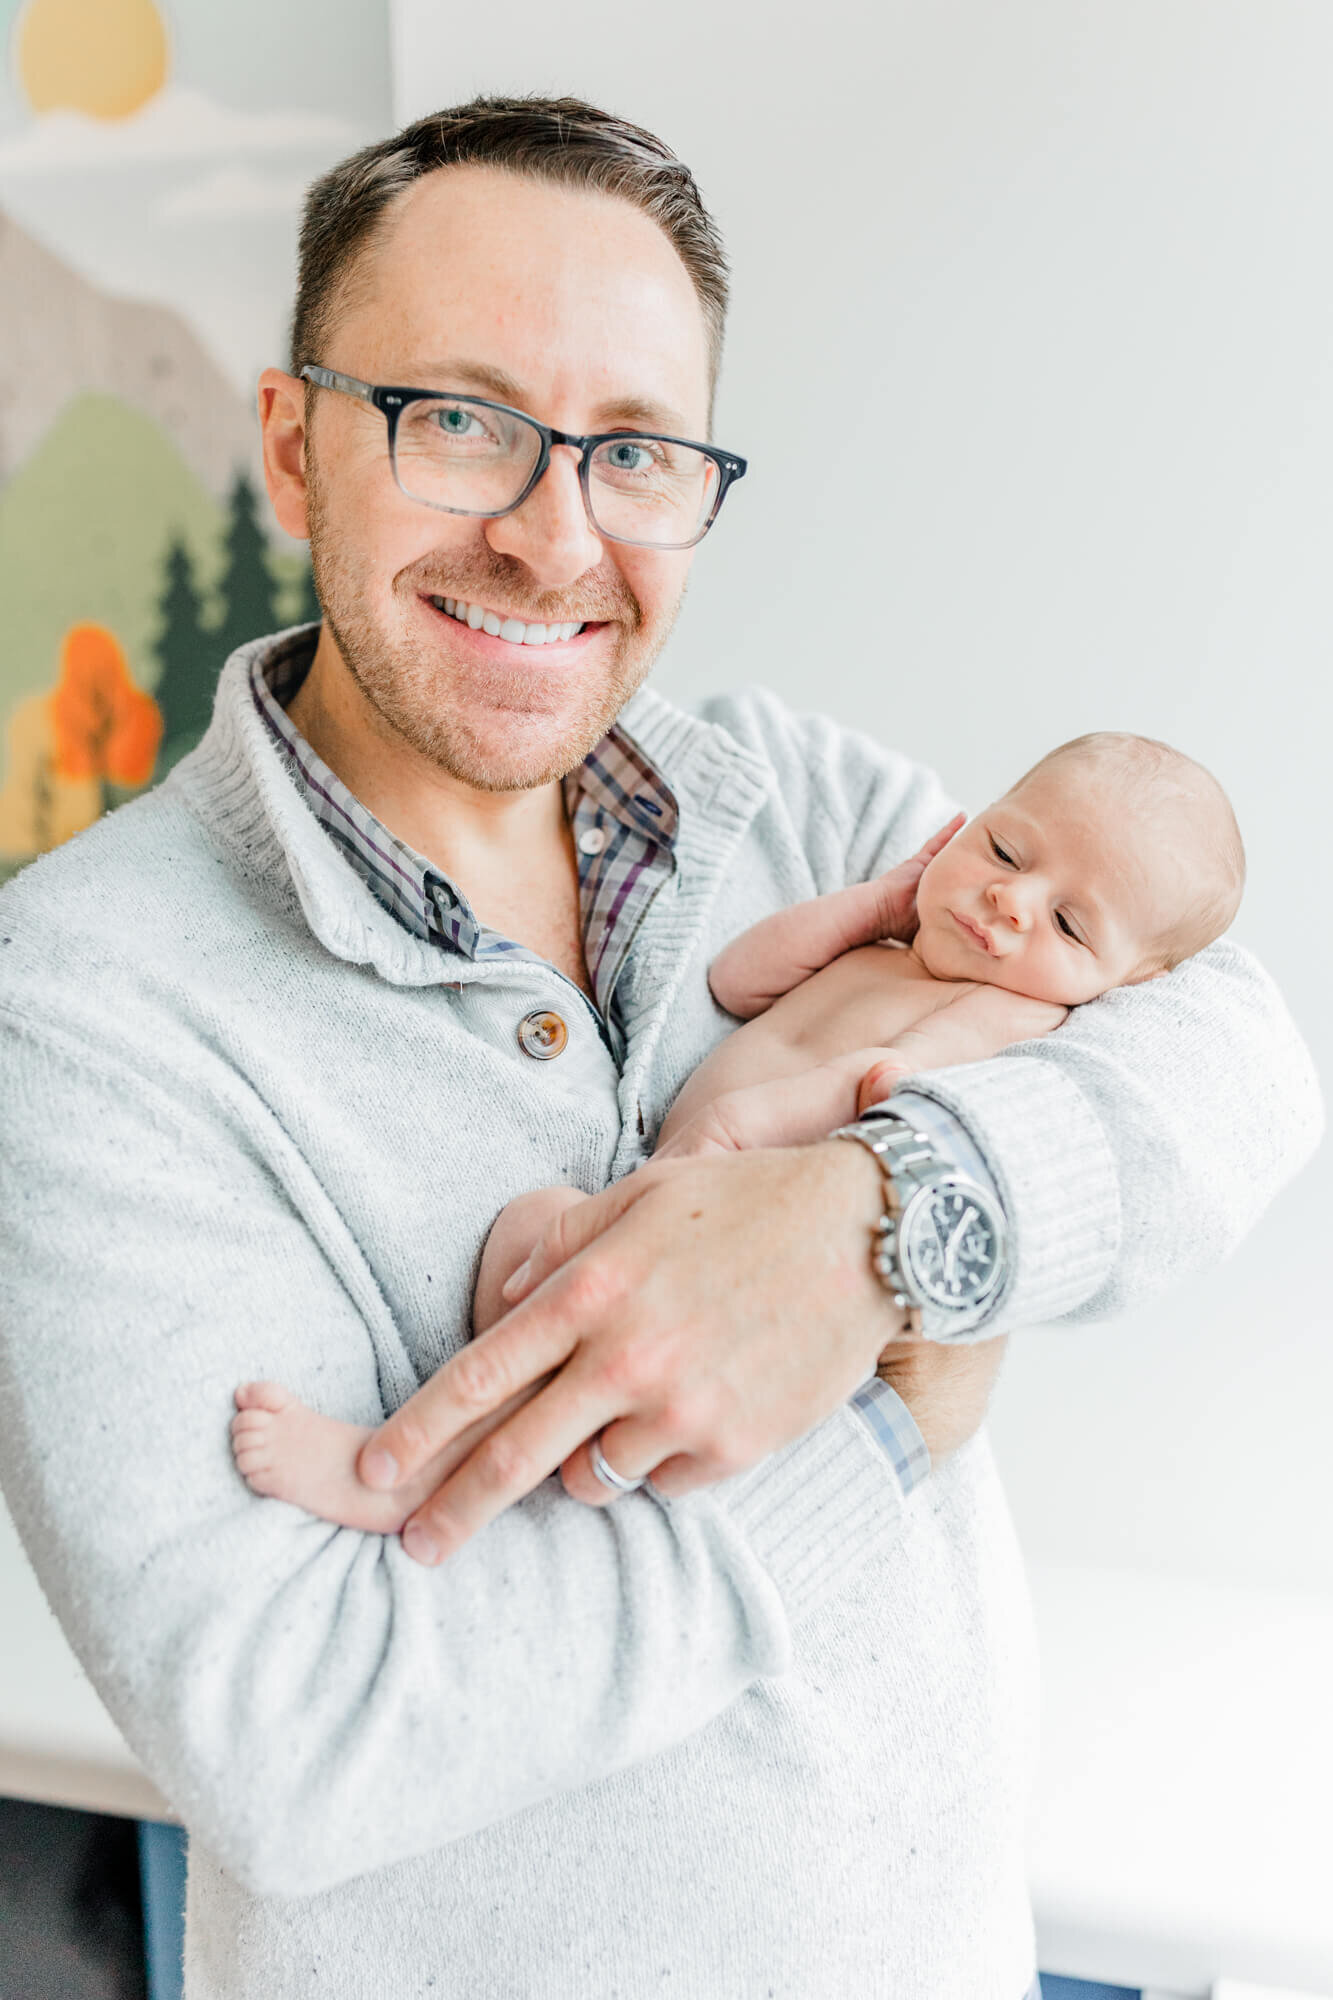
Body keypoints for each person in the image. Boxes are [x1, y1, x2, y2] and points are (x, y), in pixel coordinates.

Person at [0, 96, 1319, 2000]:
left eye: (634, 452)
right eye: (457, 422)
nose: (555, 539)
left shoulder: (795, 797)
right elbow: (303, 1732)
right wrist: (876, 1421)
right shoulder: (79, 1003)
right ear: (293, 448)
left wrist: (892, 1219)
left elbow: (1239, 1052)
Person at [230, 727, 1248, 1538]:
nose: (1010, 901)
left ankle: (396, 1472)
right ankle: (435, 1446)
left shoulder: (1013, 1014)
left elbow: (883, 1081)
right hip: (676, 1198)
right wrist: (876, 905)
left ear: (1129, 981)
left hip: (742, 1258)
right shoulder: (898, 944)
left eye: (1070, 925)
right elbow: (737, 978)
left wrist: (728, 1132)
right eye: (1005, 848)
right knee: (531, 1243)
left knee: (575, 1335)